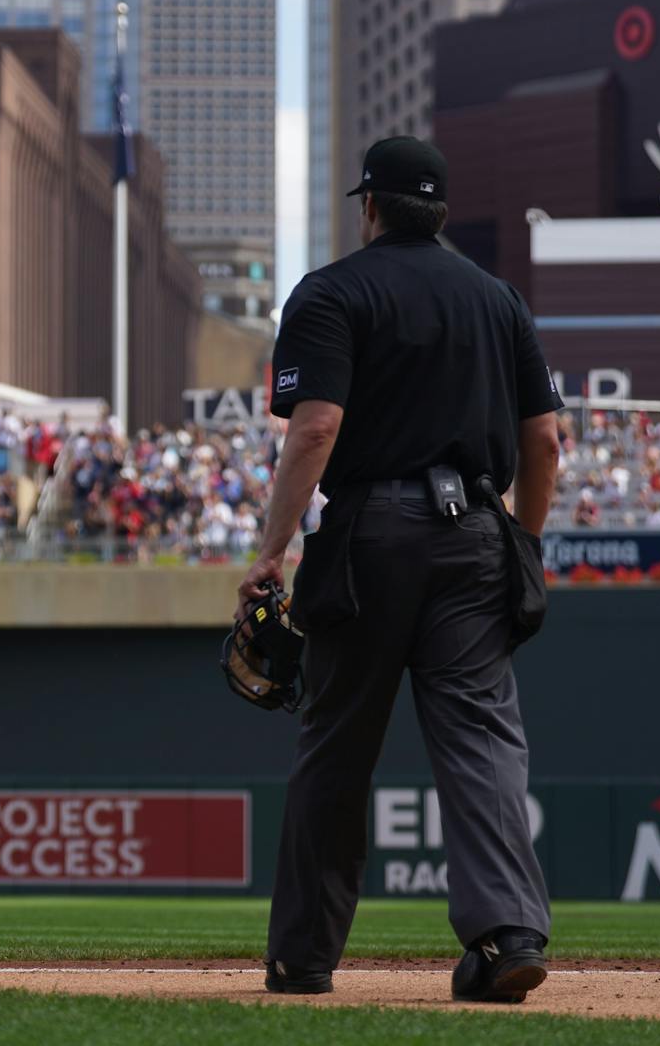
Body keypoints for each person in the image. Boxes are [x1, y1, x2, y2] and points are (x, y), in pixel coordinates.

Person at [236, 137, 561, 1002]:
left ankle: (302, 957)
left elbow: (315, 427)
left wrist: (271, 551)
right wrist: (522, 542)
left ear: (369, 206)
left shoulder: (335, 289)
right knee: (483, 740)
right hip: (478, 538)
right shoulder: (499, 299)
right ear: (442, 213)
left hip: (371, 536)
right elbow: (545, 441)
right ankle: (507, 938)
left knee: (338, 747)